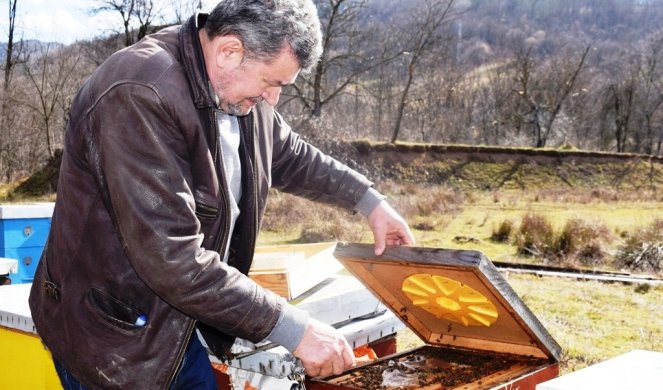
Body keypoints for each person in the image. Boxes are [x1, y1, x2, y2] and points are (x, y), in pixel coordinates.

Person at [29, 0, 415, 388]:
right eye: (272, 82)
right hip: (117, 339)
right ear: (229, 50)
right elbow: (173, 258)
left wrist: (369, 202)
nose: (273, 100)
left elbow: (292, 156)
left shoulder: (240, 92)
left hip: (183, 327)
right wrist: (296, 330)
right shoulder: (139, 93)